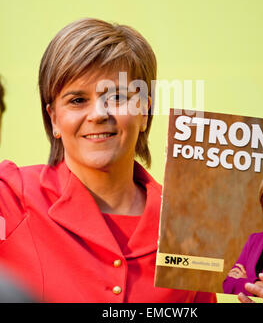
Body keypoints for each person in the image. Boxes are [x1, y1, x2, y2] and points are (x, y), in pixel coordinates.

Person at [0, 18, 215, 303]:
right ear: (54, 118)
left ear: (144, 110)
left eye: (116, 96)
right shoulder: (10, 197)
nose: (98, 114)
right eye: (77, 100)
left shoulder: (188, 225)